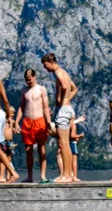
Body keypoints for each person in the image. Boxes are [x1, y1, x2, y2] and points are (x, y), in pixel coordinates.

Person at [40, 53, 78, 183]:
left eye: (46, 66)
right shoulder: (64, 72)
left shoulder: (58, 72)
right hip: (66, 109)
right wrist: (66, 100)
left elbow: (66, 87)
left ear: (50, 62)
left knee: (63, 144)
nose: (46, 69)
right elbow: (74, 89)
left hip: (63, 110)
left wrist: (61, 101)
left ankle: (66, 175)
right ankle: (67, 175)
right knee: (64, 144)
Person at [16, 69, 51, 183]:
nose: (28, 81)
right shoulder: (23, 91)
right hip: (27, 121)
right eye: (26, 79)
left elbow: (46, 107)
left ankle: (43, 175)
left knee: (41, 148)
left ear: (35, 77)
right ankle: (30, 176)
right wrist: (17, 122)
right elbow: (21, 107)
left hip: (39, 120)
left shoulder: (41, 89)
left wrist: (49, 122)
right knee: (28, 149)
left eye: (30, 79)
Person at [0, 108, 19, 183]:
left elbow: (16, 130)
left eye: (13, 113)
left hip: (10, 142)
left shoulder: (12, 122)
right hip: (3, 141)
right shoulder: (3, 121)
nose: (12, 115)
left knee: (9, 160)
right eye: (11, 113)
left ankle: (9, 176)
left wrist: (16, 128)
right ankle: (1, 176)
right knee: (4, 159)